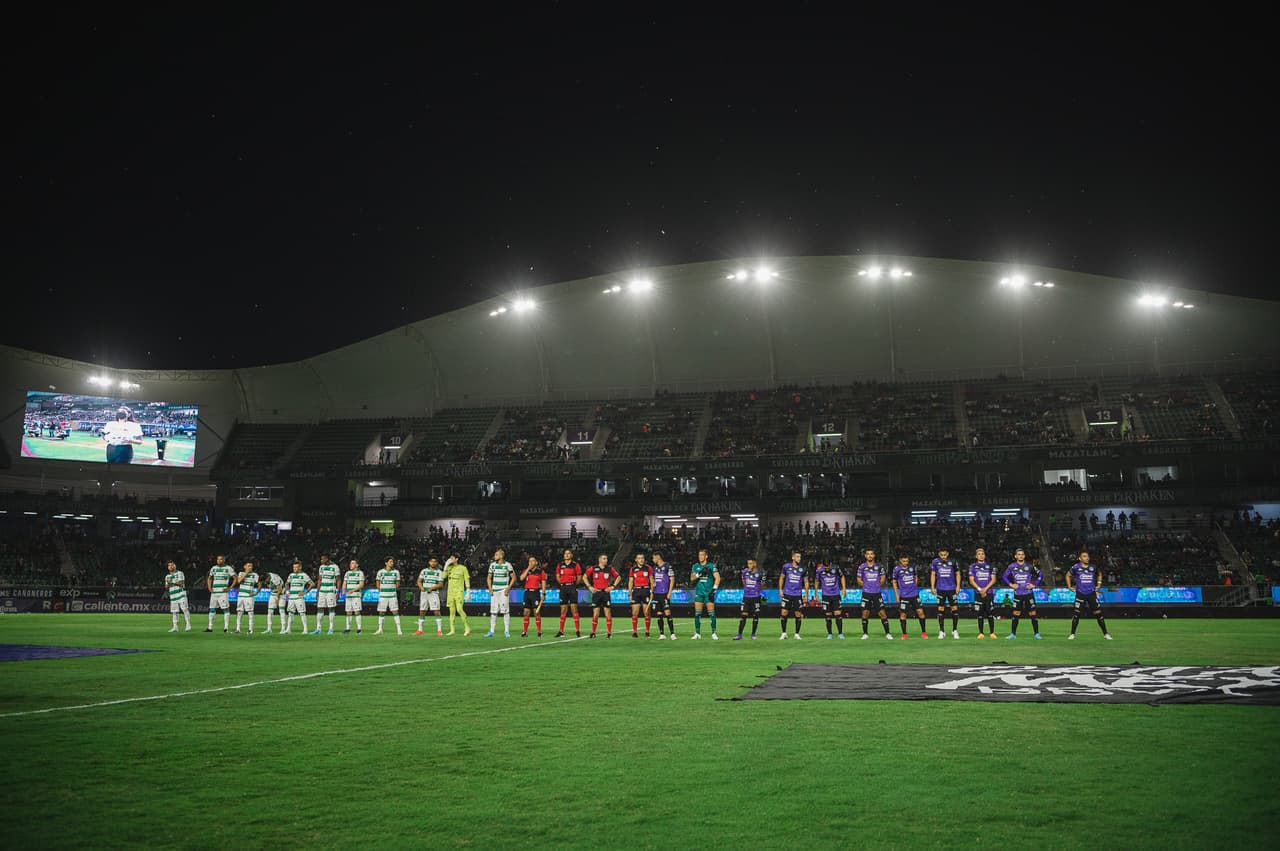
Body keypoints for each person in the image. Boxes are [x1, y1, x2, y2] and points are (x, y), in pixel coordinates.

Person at [1067, 550, 1112, 640]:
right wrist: (1069, 586)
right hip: (1080, 593)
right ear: (1080, 558)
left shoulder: (1093, 567)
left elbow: (1099, 574)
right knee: (1076, 614)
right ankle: (1072, 634)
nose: (1087, 558)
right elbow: (1067, 575)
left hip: (1091, 594)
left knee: (1098, 613)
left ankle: (1106, 634)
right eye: (1084, 556)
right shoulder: (1076, 567)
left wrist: (1099, 584)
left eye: (1087, 556)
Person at [1003, 548, 1043, 639]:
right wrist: (1011, 584)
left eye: (1022, 554)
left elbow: (1041, 575)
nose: (1020, 556)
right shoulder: (1012, 566)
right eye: (1019, 554)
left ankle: (1036, 634)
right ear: (1015, 556)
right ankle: (1013, 634)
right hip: (1018, 594)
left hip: (1028, 593)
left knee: (1033, 613)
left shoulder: (1029, 566)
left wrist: (1034, 584)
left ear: (1024, 556)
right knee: (1016, 613)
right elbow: (1004, 576)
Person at [857, 548, 893, 640]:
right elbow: (859, 580)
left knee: (882, 613)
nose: (869, 555)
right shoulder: (862, 567)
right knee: (865, 613)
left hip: (876, 593)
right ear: (865, 556)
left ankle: (888, 633)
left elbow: (883, 578)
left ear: (874, 555)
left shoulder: (879, 566)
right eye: (868, 554)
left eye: (871, 554)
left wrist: (876, 586)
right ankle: (865, 633)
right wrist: (866, 586)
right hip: (866, 593)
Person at [892, 555, 929, 639]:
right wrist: (896, 594)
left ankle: (923, 632)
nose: (906, 563)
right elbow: (894, 582)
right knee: (903, 614)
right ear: (900, 561)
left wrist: (914, 587)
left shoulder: (912, 568)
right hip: (904, 596)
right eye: (904, 561)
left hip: (914, 595)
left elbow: (916, 577)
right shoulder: (896, 569)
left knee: (920, 612)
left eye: (907, 561)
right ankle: (904, 634)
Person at [584, 554, 620, 638]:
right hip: (596, 593)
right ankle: (593, 632)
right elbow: (584, 577)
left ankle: (609, 633)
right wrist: (589, 587)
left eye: (606, 558)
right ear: (599, 559)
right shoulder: (593, 568)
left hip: (605, 593)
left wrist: (613, 586)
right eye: (604, 558)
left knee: (608, 613)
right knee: (595, 614)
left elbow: (618, 577)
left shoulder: (610, 569)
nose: (606, 560)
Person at [689, 548, 720, 640]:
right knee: (697, 613)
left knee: (711, 613)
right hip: (699, 592)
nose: (700, 557)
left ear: (706, 556)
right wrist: (700, 574)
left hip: (708, 593)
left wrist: (714, 590)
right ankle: (697, 633)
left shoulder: (711, 566)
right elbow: (692, 578)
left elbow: (718, 578)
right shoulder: (695, 566)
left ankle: (714, 633)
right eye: (699, 555)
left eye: (702, 555)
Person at [930, 547, 961, 639]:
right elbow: (933, 574)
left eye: (945, 555)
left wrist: (958, 585)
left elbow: (958, 574)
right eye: (941, 555)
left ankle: (954, 630)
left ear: (947, 554)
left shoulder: (953, 561)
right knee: (940, 610)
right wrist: (932, 587)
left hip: (952, 589)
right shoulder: (935, 562)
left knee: (954, 609)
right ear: (939, 554)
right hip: (940, 589)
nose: (943, 556)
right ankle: (941, 631)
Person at [778, 550, 808, 640]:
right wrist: (780, 589)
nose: (799, 558)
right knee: (784, 613)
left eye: (800, 557)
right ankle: (784, 633)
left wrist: (806, 594)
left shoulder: (803, 569)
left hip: (797, 594)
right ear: (793, 557)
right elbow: (781, 578)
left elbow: (806, 582)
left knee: (798, 614)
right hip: (787, 593)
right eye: (797, 556)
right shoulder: (786, 567)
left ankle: (797, 634)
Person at [968, 548, 998, 638]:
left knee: (990, 612)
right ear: (976, 556)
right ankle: (981, 633)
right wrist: (979, 589)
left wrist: (985, 589)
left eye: (982, 554)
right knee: (980, 613)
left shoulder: (991, 566)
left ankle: (992, 633)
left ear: (984, 555)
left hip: (988, 592)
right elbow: (971, 580)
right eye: (979, 554)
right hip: (978, 593)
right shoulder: (972, 566)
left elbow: (993, 580)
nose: (981, 555)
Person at [486, 548, 515, 638]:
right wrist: (490, 588)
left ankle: (506, 631)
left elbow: (514, 577)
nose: (495, 556)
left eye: (496, 555)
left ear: (501, 556)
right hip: (494, 590)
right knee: (493, 611)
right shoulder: (492, 565)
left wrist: (508, 588)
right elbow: (489, 577)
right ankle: (491, 631)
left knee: (505, 611)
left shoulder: (507, 565)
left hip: (503, 590)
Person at [815, 558, 847, 639]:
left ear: (831, 564)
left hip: (835, 594)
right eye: (825, 568)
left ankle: (840, 633)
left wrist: (844, 589)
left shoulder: (836, 568)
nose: (827, 569)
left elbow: (842, 577)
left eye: (828, 567)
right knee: (828, 615)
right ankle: (830, 634)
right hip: (826, 596)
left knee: (838, 614)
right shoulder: (819, 571)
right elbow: (817, 581)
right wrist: (816, 593)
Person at [554, 549, 583, 637]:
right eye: (565, 554)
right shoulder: (560, 565)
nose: (566, 555)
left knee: (574, 609)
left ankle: (577, 631)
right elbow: (557, 576)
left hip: (572, 587)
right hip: (563, 588)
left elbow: (579, 577)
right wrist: (562, 583)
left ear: (571, 555)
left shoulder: (575, 565)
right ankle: (561, 631)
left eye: (568, 553)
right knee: (563, 610)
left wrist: (573, 585)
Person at [735, 558, 764, 640]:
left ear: (755, 564)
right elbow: (744, 582)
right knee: (743, 615)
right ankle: (739, 634)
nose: (749, 565)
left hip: (756, 597)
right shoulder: (744, 572)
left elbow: (762, 585)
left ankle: (753, 634)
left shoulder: (760, 573)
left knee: (755, 615)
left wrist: (756, 591)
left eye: (751, 563)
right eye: (748, 563)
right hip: (746, 597)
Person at [205, 554, 235, 633]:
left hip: (223, 592)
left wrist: (229, 588)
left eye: (221, 559)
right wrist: (209, 587)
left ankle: (226, 628)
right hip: (214, 592)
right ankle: (210, 627)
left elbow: (235, 578)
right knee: (212, 609)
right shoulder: (214, 568)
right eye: (218, 559)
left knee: (225, 609)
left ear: (224, 560)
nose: (219, 561)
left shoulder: (228, 568)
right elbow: (209, 578)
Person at [415, 556, 444, 636]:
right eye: (431, 561)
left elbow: (441, 584)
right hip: (424, 593)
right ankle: (420, 630)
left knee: (436, 611)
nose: (433, 563)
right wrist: (421, 588)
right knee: (422, 611)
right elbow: (419, 581)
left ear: (437, 563)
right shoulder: (424, 571)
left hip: (434, 593)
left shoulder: (439, 572)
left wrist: (432, 588)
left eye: (435, 562)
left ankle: (439, 630)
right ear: (429, 562)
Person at [442, 554, 471, 636]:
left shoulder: (463, 568)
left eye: (452, 558)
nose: (450, 559)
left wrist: (468, 591)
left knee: (459, 609)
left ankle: (467, 627)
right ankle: (452, 630)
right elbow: (443, 577)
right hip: (450, 592)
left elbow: (466, 579)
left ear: (457, 559)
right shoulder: (449, 568)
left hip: (459, 591)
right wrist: (445, 565)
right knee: (451, 611)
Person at [519, 555, 546, 637]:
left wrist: (543, 593)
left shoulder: (540, 571)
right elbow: (521, 578)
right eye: (529, 561)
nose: (531, 562)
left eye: (532, 561)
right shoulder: (526, 571)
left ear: (536, 562)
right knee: (526, 612)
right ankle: (524, 632)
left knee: (536, 612)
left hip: (535, 592)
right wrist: (528, 569)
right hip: (527, 592)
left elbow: (543, 582)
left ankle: (539, 631)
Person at [374, 556, 403, 635]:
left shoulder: (396, 572)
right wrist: (381, 590)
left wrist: (392, 590)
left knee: (395, 611)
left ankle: (399, 629)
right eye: (390, 562)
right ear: (386, 563)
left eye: (392, 562)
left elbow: (397, 584)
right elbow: (377, 583)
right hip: (383, 595)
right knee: (381, 612)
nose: (392, 563)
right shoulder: (380, 572)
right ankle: (380, 629)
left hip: (392, 595)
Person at [313, 554, 341, 635]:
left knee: (331, 608)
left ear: (327, 559)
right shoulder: (321, 567)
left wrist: (338, 592)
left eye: (323, 559)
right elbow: (320, 579)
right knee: (320, 608)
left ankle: (331, 628)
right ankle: (318, 628)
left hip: (330, 590)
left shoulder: (335, 567)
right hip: (322, 590)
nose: (321, 561)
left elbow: (338, 580)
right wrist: (317, 591)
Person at [651, 552, 677, 640]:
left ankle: (672, 633)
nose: (653, 560)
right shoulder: (654, 568)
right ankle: (662, 634)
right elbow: (653, 580)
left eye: (653, 558)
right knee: (659, 613)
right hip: (656, 594)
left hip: (664, 593)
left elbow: (672, 579)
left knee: (667, 613)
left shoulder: (667, 566)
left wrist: (670, 592)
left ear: (658, 558)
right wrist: (652, 589)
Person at [283, 560, 313, 634]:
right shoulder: (291, 575)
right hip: (291, 597)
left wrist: (305, 592)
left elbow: (312, 584)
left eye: (296, 567)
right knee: (290, 613)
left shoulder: (304, 575)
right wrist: (287, 592)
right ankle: (288, 629)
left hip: (299, 597)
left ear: (300, 567)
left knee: (302, 613)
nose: (295, 569)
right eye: (294, 567)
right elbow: (286, 583)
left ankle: (305, 629)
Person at [627, 552, 653, 637]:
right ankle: (634, 632)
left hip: (645, 590)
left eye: (642, 558)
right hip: (636, 591)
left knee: (647, 612)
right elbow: (631, 581)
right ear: (636, 560)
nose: (641, 560)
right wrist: (629, 594)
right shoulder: (633, 569)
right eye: (639, 558)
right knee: (635, 612)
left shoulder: (648, 568)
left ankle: (647, 632)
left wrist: (652, 591)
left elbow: (651, 580)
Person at [164, 560, 191, 632]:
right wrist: (168, 583)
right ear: (168, 567)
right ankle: (175, 627)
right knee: (174, 612)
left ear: (175, 566)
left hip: (181, 594)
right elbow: (166, 587)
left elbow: (181, 583)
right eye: (169, 565)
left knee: (185, 609)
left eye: (172, 565)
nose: (171, 566)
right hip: (173, 595)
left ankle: (188, 625)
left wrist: (171, 582)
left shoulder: (180, 573)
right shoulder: (167, 576)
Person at [234, 561, 259, 634]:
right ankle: (238, 629)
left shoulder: (255, 575)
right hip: (241, 596)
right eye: (248, 566)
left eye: (251, 566)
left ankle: (250, 629)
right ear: (244, 567)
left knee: (250, 613)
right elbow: (239, 581)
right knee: (239, 612)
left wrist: (256, 593)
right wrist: (246, 573)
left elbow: (260, 583)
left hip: (249, 596)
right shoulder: (241, 573)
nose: (250, 567)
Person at [343, 559, 366, 634]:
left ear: (357, 565)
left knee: (357, 611)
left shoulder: (360, 573)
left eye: (353, 563)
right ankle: (347, 629)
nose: (351, 565)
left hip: (356, 595)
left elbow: (361, 585)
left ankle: (359, 629)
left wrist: (352, 590)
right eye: (350, 563)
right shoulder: (347, 573)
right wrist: (343, 590)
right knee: (348, 612)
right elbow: (344, 583)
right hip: (348, 595)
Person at [263, 567, 285, 634]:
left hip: (281, 594)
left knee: (281, 611)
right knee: (270, 611)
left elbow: (280, 590)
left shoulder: (274, 578)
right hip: (273, 593)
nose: (265, 582)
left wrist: (277, 599)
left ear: (267, 578)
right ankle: (269, 629)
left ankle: (283, 629)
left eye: (265, 581)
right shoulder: (264, 577)